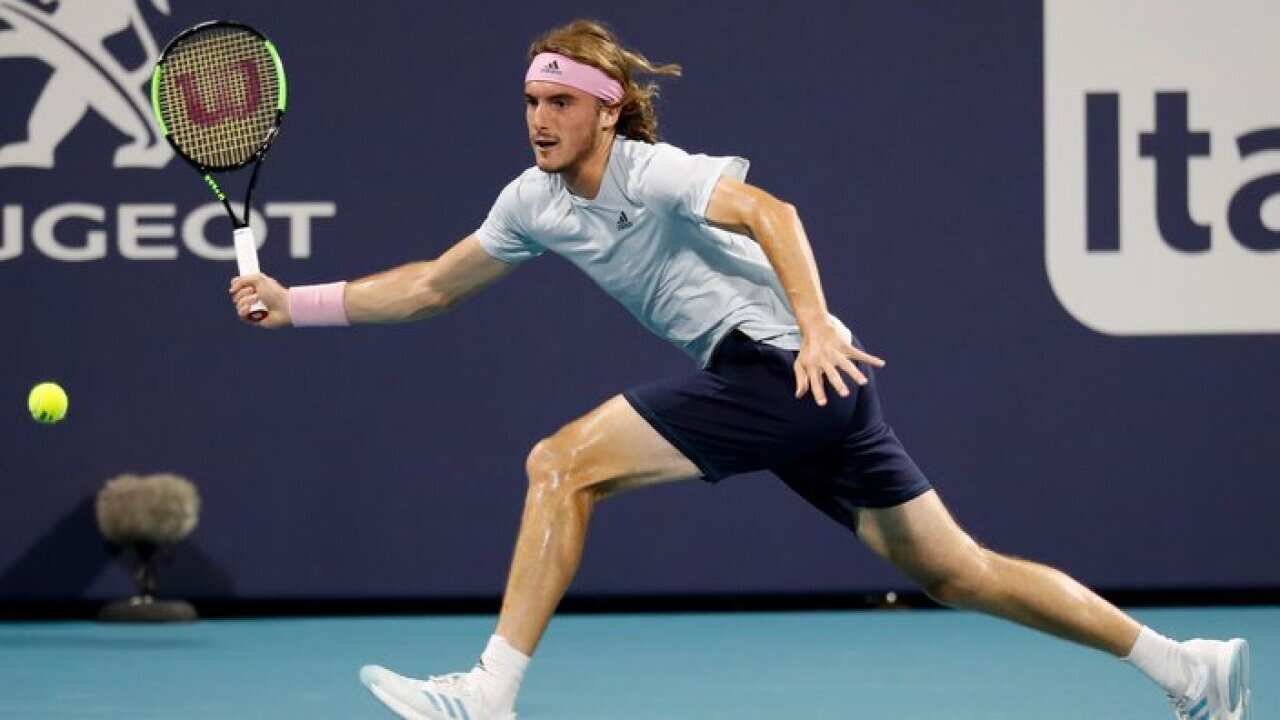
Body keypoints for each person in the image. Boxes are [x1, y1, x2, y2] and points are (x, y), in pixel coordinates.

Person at [227, 19, 1250, 720]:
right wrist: (294, 302)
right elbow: (430, 287)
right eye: (530, 100)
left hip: (786, 368)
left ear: (605, 110)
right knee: (956, 573)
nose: (538, 118)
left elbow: (772, 213)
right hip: (812, 390)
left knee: (559, 464)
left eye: (559, 101)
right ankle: (1185, 665)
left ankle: (489, 692)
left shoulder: (652, 171)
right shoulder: (530, 202)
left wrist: (811, 328)